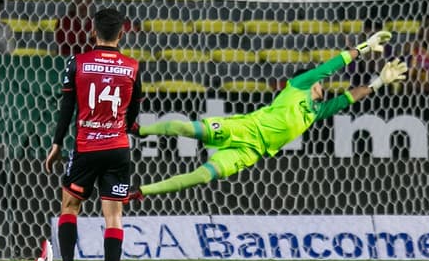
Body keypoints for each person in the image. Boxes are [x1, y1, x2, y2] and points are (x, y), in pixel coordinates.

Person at [132, 32, 405, 199]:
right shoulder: (298, 86)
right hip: (244, 128)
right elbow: (329, 66)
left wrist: (378, 82)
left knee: (203, 176)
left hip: (251, 152)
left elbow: (348, 99)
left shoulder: (317, 112)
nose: (324, 86)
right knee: (189, 130)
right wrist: (365, 48)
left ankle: (143, 191)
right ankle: (137, 129)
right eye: (321, 83)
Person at [43, 9, 142, 261]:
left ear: (93, 31)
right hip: (117, 148)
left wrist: (57, 143)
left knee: (70, 206)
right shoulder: (132, 67)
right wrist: (123, 126)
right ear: (122, 33)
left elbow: (67, 108)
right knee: (113, 215)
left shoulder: (78, 62)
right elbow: (133, 110)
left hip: (86, 147)